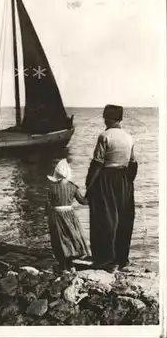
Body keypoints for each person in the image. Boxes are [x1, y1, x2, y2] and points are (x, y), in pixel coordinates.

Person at [85, 104, 138, 272]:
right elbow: (133, 163)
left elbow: (97, 164)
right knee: (124, 218)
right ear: (120, 119)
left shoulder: (104, 136)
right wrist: (128, 182)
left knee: (104, 218)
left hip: (106, 178)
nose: (104, 120)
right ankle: (122, 259)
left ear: (108, 118)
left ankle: (105, 259)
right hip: (124, 179)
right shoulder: (129, 137)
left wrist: (89, 185)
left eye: (105, 117)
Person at [47, 159, 90, 271]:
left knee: (59, 239)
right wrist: (91, 193)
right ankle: (71, 264)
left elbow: (47, 205)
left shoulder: (51, 187)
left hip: (56, 215)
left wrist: (49, 216)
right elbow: (83, 201)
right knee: (71, 237)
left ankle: (62, 265)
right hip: (70, 215)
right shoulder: (73, 187)